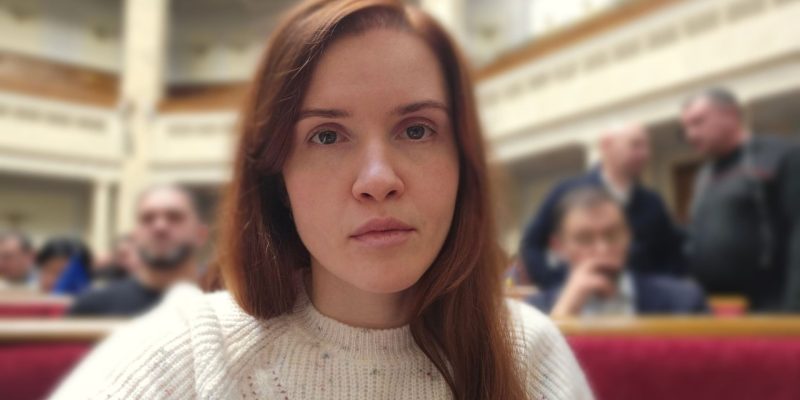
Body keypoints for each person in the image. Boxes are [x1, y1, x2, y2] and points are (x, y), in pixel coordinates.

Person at [50, 2, 592, 399]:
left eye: (417, 129)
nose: (378, 180)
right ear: (276, 179)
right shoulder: (188, 351)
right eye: (327, 136)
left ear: (462, 163)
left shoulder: (528, 351)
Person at [520, 123, 686, 289]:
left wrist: (662, 291)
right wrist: (556, 284)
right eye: (635, 145)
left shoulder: (652, 202)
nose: (645, 153)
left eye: (646, 146)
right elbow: (532, 244)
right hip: (580, 300)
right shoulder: (566, 192)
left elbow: (671, 255)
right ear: (607, 146)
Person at [681, 87, 800, 311]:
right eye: (686, 127)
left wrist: (794, 306)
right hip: (712, 307)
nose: (690, 134)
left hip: (771, 307)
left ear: (731, 114)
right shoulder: (703, 175)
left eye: (698, 122)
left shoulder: (782, 156)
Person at [529, 187, 707, 317]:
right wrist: (564, 311)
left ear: (629, 235)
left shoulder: (684, 301)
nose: (603, 249)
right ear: (559, 247)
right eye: (585, 239)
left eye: (612, 235)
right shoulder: (533, 311)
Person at [67, 184, 208, 316]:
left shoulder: (219, 306)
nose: (160, 226)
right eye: (147, 219)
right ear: (135, 235)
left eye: (174, 217)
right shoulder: (92, 308)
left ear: (200, 234)